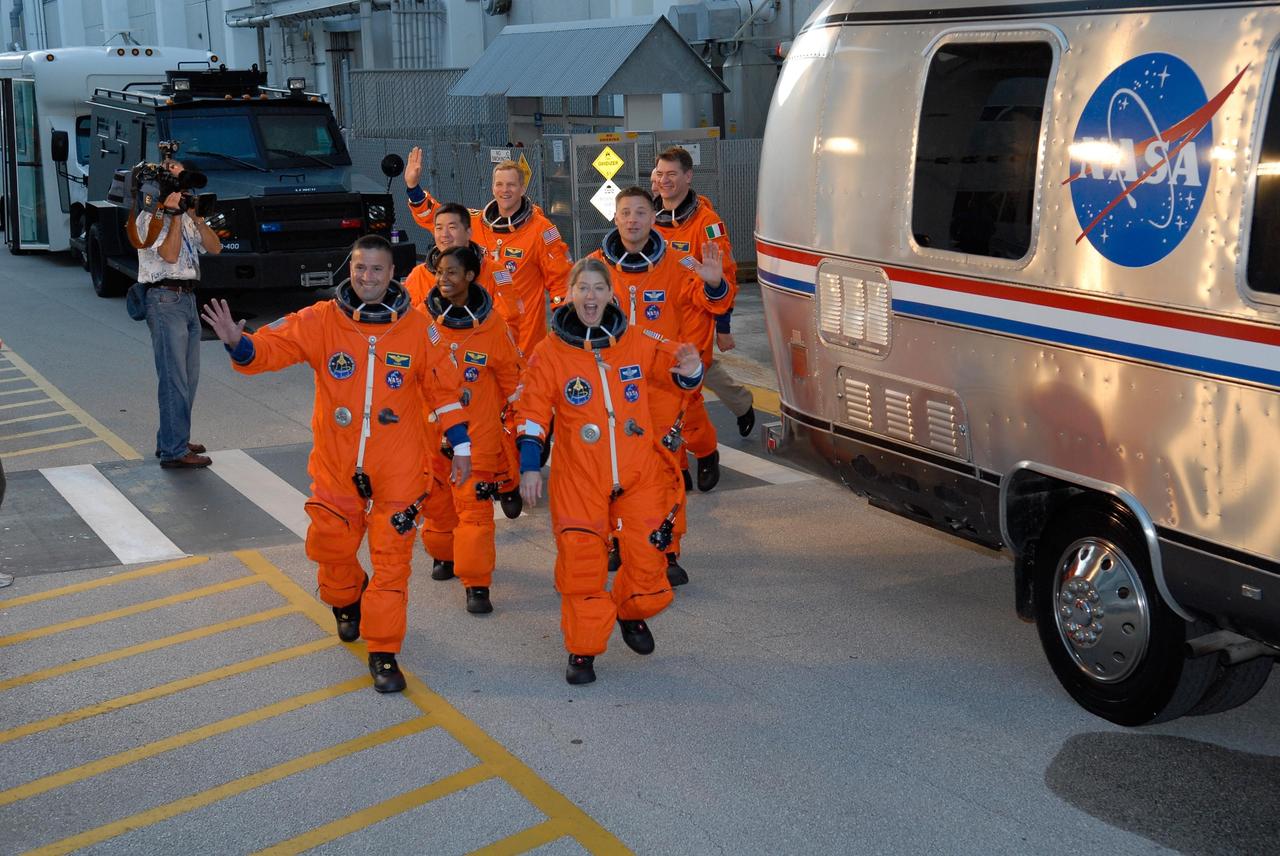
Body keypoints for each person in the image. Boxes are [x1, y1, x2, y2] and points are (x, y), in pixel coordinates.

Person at [201, 235, 471, 694]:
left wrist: (461, 446)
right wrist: (238, 345)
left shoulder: (418, 328)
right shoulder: (322, 320)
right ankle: (347, 600)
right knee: (330, 544)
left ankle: (384, 652)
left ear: (393, 275)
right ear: (351, 269)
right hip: (337, 463)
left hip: (399, 468)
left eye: (378, 270)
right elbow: (272, 348)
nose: (368, 278)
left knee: (392, 565)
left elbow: (445, 390)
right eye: (361, 268)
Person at [516, 257, 705, 685]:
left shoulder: (636, 342)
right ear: (568, 294)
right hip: (579, 478)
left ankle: (629, 610)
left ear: (610, 295)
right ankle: (582, 652)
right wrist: (530, 467)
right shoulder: (549, 353)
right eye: (582, 288)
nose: (590, 296)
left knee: (649, 562)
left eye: (599, 288)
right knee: (582, 565)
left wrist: (692, 369)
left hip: (638, 475)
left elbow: (679, 377)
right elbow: (531, 414)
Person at [592, 185, 734, 585]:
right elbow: (571, 317)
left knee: (665, 471)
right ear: (615, 218)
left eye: (640, 212)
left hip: (662, 387)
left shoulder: (678, 263)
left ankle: (667, 548)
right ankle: (616, 540)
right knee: (613, 471)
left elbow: (714, 304)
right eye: (626, 213)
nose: (633, 220)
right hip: (611, 388)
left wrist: (714, 284)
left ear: (652, 218)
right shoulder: (594, 267)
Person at [418, 245, 523, 613]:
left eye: (451, 273)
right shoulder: (421, 321)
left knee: (475, 516)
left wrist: (524, 426)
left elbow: (513, 381)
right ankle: (444, 555)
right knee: (437, 508)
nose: (443, 279)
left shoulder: (494, 326)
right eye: (439, 273)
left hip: (478, 437)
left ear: (470, 278)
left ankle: (477, 584)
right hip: (433, 436)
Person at [404, 149, 573, 356]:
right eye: (499, 184)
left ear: (522, 188)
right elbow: (435, 216)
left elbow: (561, 282)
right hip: (475, 333)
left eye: (511, 185)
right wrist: (413, 188)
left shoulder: (542, 230)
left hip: (523, 338)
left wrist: (565, 328)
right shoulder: (475, 221)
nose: (505, 190)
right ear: (492, 188)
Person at [651, 147, 755, 438]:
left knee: (687, 379)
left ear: (688, 176)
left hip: (696, 316)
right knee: (698, 368)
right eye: (660, 174)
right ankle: (741, 402)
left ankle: (695, 449)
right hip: (657, 314)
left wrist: (723, 326)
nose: (665, 180)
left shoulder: (707, 224)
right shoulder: (647, 216)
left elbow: (726, 277)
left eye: (672, 174)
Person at [131, 159, 222, 468]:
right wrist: (171, 216)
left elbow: (215, 248)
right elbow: (169, 255)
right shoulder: (149, 218)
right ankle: (173, 451)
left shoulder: (185, 217)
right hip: (164, 298)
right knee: (174, 380)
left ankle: (173, 438)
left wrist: (196, 220)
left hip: (187, 299)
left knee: (188, 378)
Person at [402, 202, 501, 308]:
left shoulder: (494, 272)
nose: (444, 235)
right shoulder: (419, 275)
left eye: (452, 227)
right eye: (439, 228)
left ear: (468, 233)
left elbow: (509, 319)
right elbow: (406, 319)